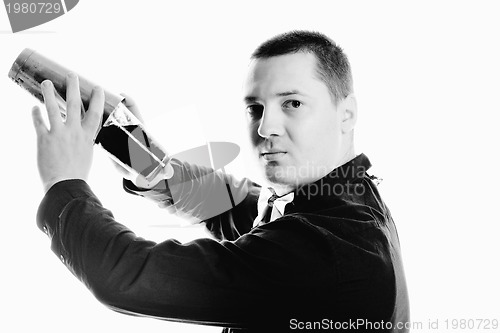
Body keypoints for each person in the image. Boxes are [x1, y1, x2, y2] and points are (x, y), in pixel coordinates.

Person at [32, 30, 410, 332]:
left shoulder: (326, 254)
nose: (265, 127)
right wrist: (150, 167)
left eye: (292, 103)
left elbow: (127, 276)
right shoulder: (342, 195)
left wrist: (63, 182)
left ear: (346, 115)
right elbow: (242, 204)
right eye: (255, 108)